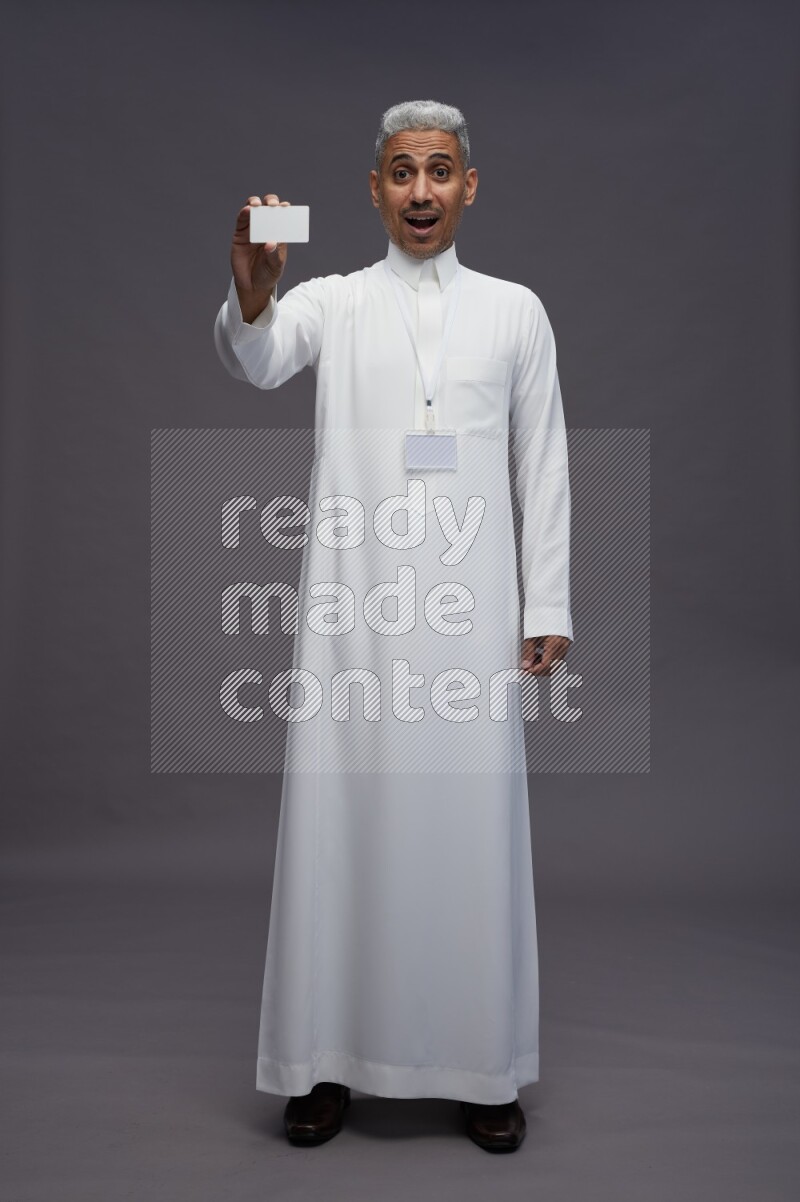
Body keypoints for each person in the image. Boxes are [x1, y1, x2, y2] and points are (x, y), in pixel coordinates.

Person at [213, 99, 573, 1153]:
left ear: (469, 187)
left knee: (468, 836)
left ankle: (481, 1064)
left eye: (440, 172)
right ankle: (323, 1063)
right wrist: (251, 290)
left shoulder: (516, 311)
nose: (421, 191)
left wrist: (544, 602)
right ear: (372, 189)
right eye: (402, 172)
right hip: (352, 615)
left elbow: (540, 462)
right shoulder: (329, 300)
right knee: (343, 832)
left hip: (469, 620)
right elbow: (259, 358)